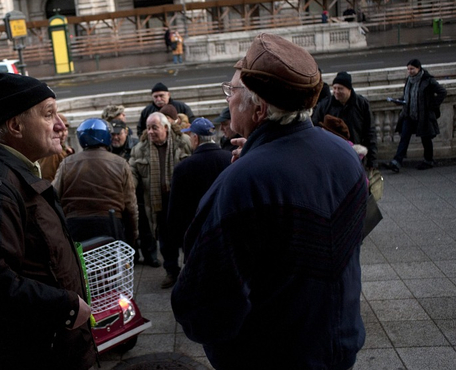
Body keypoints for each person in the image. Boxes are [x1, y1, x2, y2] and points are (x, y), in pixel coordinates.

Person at [171, 33, 367, 370]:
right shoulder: (344, 155)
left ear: (259, 107)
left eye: (231, 91)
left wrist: (251, 167)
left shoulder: (241, 184)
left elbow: (202, 309)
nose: (228, 98)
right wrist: (258, 156)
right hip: (338, 345)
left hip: (273, 357)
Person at [0, 72, 96, 369]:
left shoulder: (1, 168)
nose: (61, 125)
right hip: (35, 354)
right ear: (15, 125)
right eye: (48, 114)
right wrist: (63, 306)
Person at [162, 117, 231, 289]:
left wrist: (175, 237)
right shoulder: (230, 158)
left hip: (195, 236)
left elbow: (175, 210)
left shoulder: (183, 168)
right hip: (226, 230)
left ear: (195, 138)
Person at [53, 118, 138, 244]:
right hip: (111, 225)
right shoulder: (120, 164)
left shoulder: (67, 163)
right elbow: (130, 206)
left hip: (75, 227)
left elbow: (54, 196)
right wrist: (132, 235)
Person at [130, 112, 191, 277]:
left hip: (181, 201)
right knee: (165, 241)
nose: (150, 132)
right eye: (148, 128)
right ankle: (171, 272)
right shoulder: (140, 149)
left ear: (166, 127)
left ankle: (191, 273)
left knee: (188, 237)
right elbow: (132, 173)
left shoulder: (184, 143)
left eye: (154, 128)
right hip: (158, 203)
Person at [382, 59, 447, 172]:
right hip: (409, 114)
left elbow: (442, 92)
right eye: (408, 69)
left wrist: (432, 105)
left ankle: (428, 160)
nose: (410, 71)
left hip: (423, 115)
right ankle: (397, 162)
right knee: (404, 137)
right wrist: (400, 101)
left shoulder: (428, 80)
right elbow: (408, 96)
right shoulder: (409, 80)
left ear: (419, 68)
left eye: (412, 69)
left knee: (426, 138)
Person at [312, 71, 377, 170]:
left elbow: (370, 132)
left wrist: (372, 160)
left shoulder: (362, 104)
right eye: (334, 88)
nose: (336, 92)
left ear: (349, 89)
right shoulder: (325, 105)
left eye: (340, 89)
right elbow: (315, 127)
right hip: (333, 155)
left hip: (356, 154)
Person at [38, 113, 74, 181]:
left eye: (65, 130)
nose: (63, 134)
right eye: (59, 131)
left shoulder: (64, 149)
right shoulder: (51, 152)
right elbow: (47, 177)